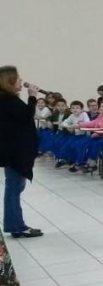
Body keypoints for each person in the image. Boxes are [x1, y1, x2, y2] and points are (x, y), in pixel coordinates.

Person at [0, 67, 42, 238]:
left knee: (15, 186)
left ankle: (15, 224)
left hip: (14, 151)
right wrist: (32, 96)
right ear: (9, 81)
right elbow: (25, 116)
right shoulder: (7, 100)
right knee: (14, 187)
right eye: (18, 79)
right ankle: (16, 226)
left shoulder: (8, 100)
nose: (21, 81)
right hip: (14, 152)